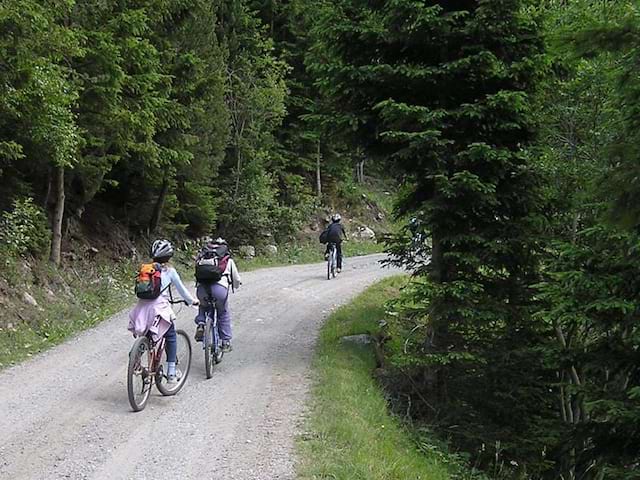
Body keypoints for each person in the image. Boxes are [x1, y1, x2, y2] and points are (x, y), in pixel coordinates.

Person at [128, 239, 199, 384]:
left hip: (142, 308)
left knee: (146, 335)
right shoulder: (170, 271)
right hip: (159, 308)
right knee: (171, 335)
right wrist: (192, 301)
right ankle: (171, 373)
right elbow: (182, 291)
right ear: (169, 256)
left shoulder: (146, 269)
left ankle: (135, 362)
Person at [194, 237, 241, 352]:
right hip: (219, 290)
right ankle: (225, 342)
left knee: (203, 305)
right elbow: (236, 279)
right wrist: (236, 285)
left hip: (202, 289)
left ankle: (201, 323)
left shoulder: (202, 258)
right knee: (223, 312)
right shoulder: (227, 260)